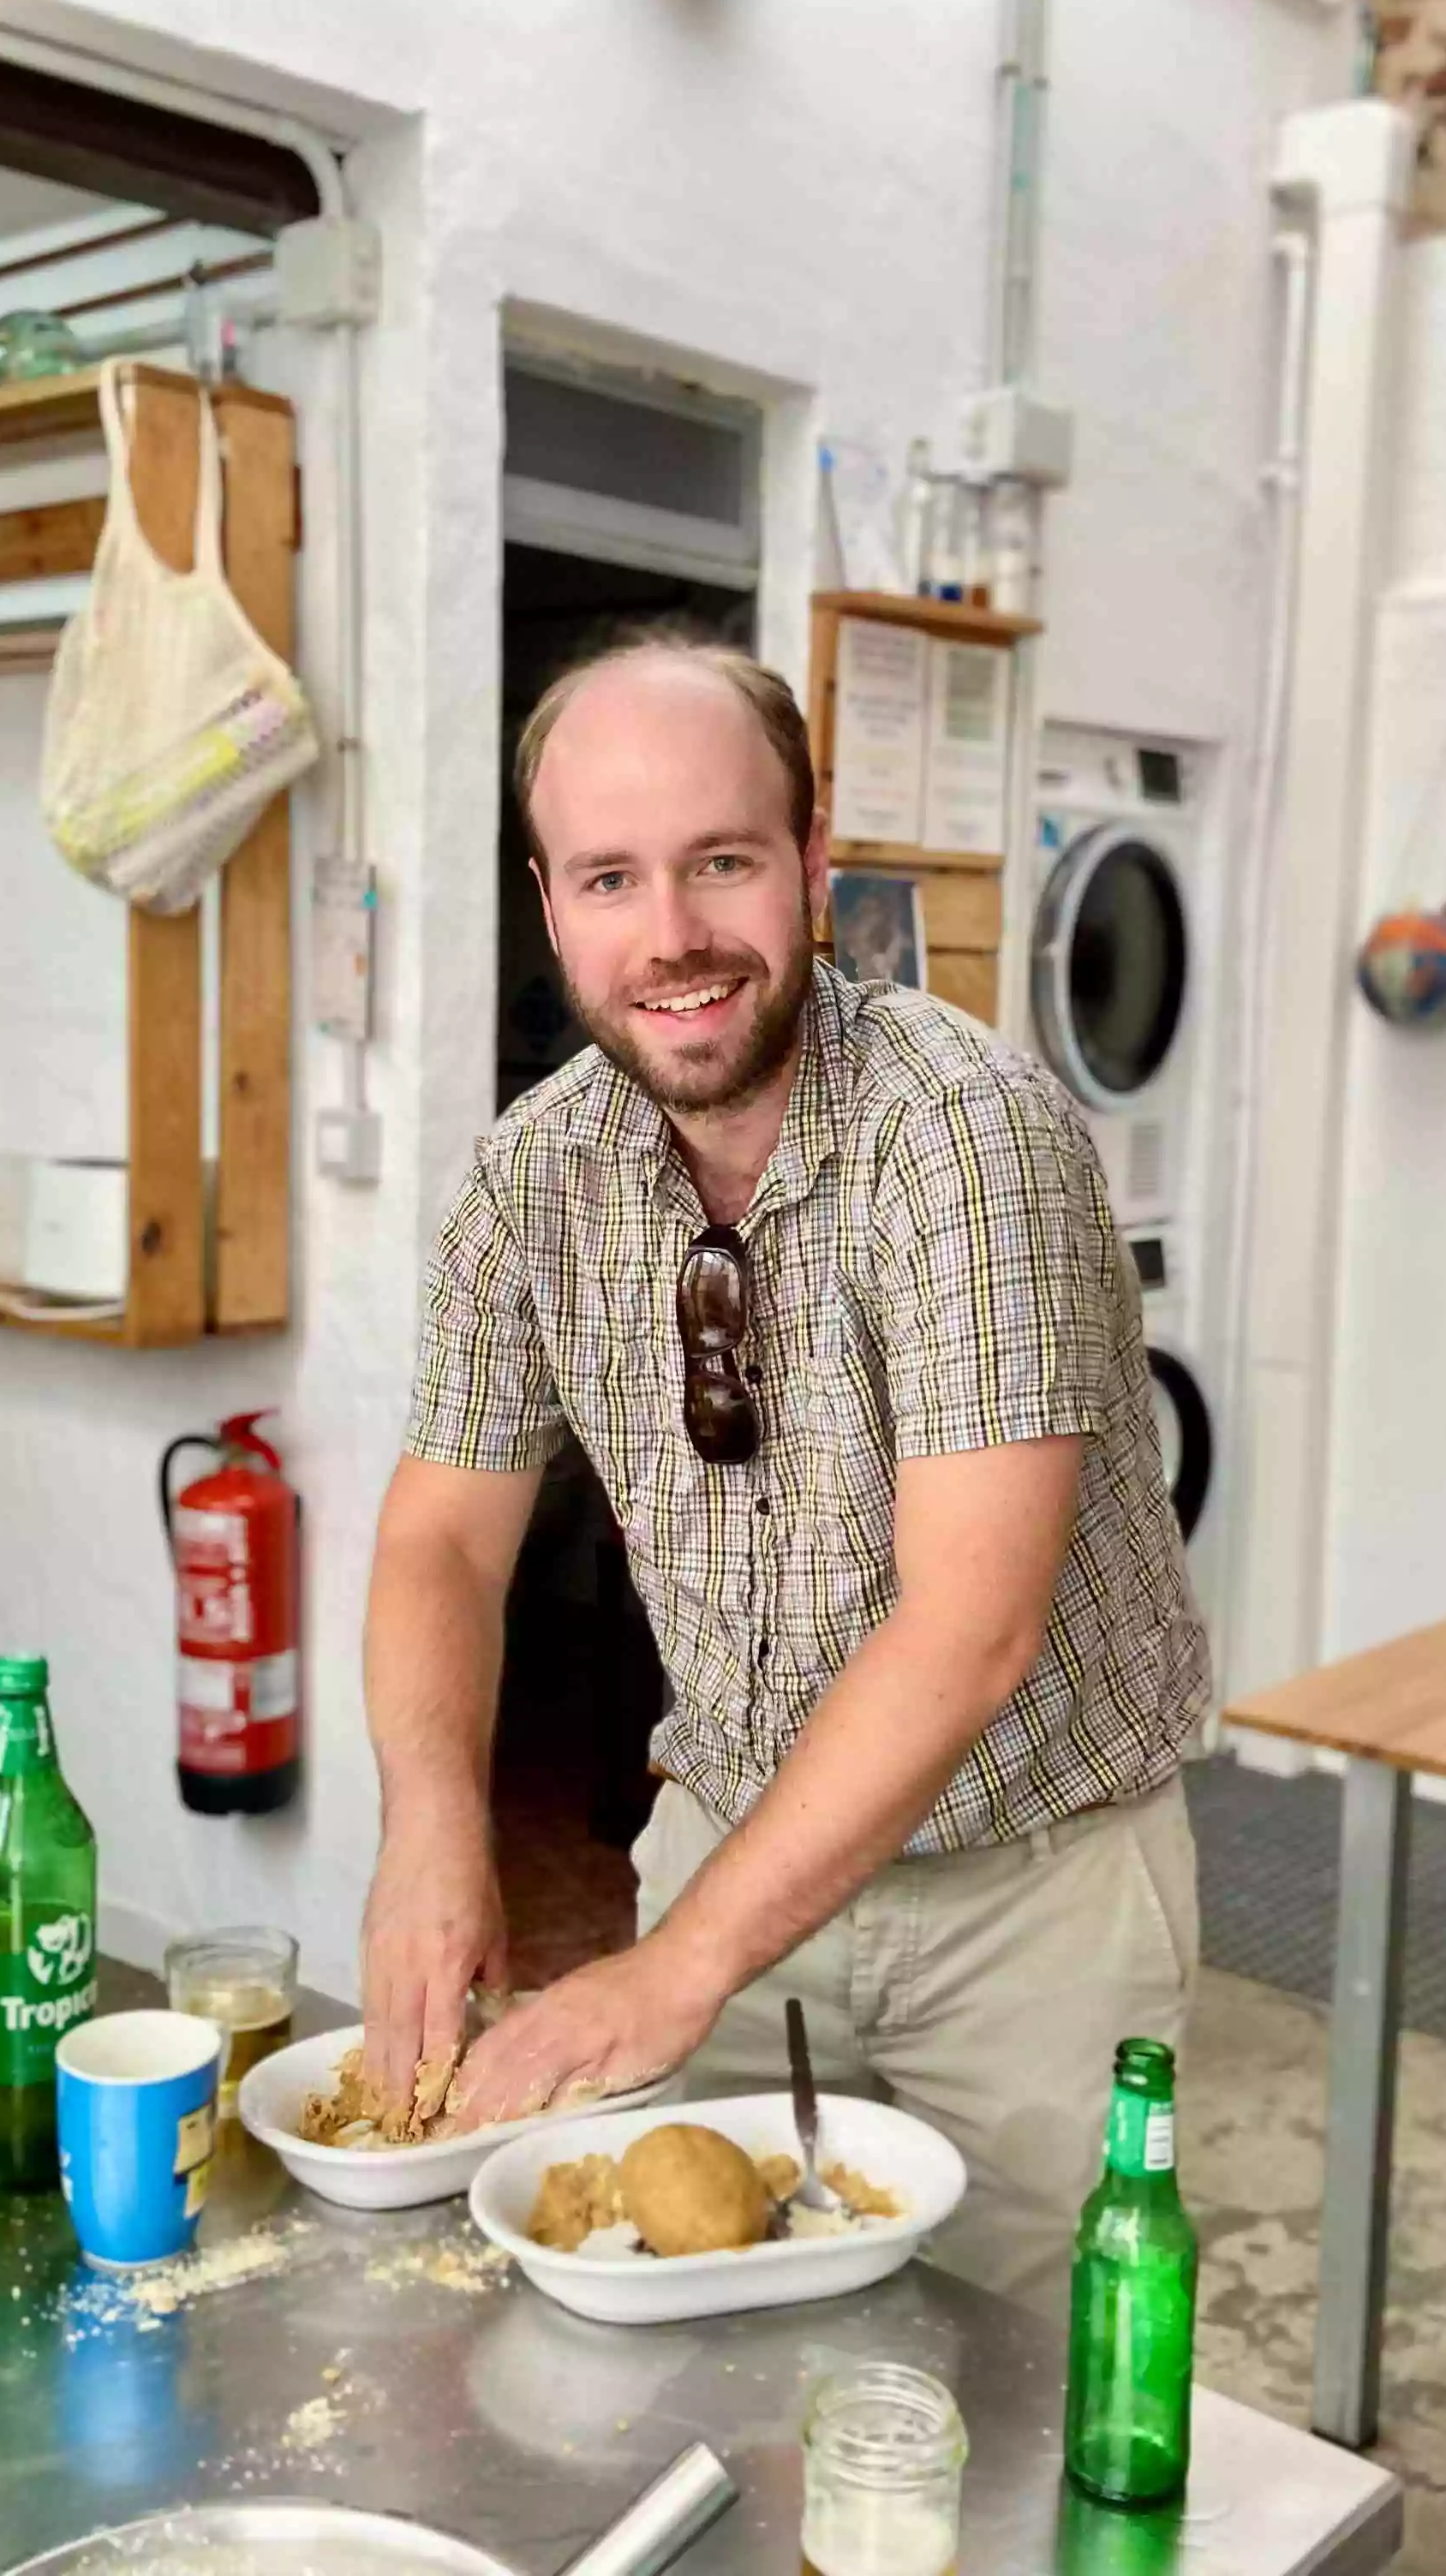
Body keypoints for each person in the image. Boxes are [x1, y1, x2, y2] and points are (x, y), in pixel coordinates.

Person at [359, 635, 1206, 2301]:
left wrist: (673, 1968)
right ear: (550, 905)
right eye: (611, 876)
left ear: (813, 865)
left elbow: (970, 1632)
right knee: (688, 2391)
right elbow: (440, 1544)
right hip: (727, 1839)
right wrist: (432, 1823)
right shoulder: (532, 1179)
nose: (669, 934)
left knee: (1023, 2412)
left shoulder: (970, 1139)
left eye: (721, 862)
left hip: (1027, 1907)